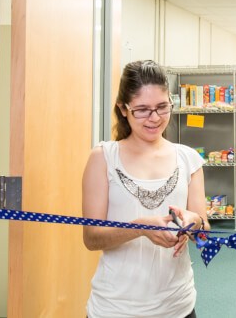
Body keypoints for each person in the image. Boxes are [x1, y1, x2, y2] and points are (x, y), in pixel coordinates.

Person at [82, 60, 209, 318]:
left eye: (162, 107)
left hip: (178, 306)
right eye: (142, 110)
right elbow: (91, 238)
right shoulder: (104, 157)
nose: (154, 118)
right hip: (116, 308)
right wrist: (140, 227)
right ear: (123, 108)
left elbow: (203, 234)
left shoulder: (188, 159)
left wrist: (194, 222)